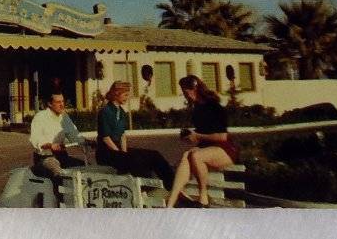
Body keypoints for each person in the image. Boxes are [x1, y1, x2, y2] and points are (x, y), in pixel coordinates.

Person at [166, 75, 240, 208]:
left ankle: (203, 198)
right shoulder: (197, 109)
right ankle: (170, 203)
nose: (185, 96)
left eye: (185, 92)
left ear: (194, 89)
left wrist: (198, 135)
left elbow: (222, 137)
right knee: (186, 156)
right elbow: (202, 134)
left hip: (226, 150)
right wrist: (191, 137)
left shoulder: (214, 106)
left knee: (196, 155)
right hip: (209, 149)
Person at [96, 81, 173, 189]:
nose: (127, 97)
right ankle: (145, 189)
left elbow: (122, 135)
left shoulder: (121, 112)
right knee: (136, 159)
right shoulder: (105, 112)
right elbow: (106, 138)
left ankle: (171, 185)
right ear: (116, 94)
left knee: (154, 155)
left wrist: (124, 152)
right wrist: (121, 155)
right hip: (106, 153)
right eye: (125, 94)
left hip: (118, 150)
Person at [29, 92, 85, 184]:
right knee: (59, 173)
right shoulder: (40, 117)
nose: (62, 105)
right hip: (45, 158)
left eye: (63, 101)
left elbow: (74, 136)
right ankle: (59, 197)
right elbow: (36, 140)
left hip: (62, 156)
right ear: (50, 104)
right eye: (58, 102)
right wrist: (50, 145)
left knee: (84, 168)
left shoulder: (64, 117)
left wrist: (87, 141)